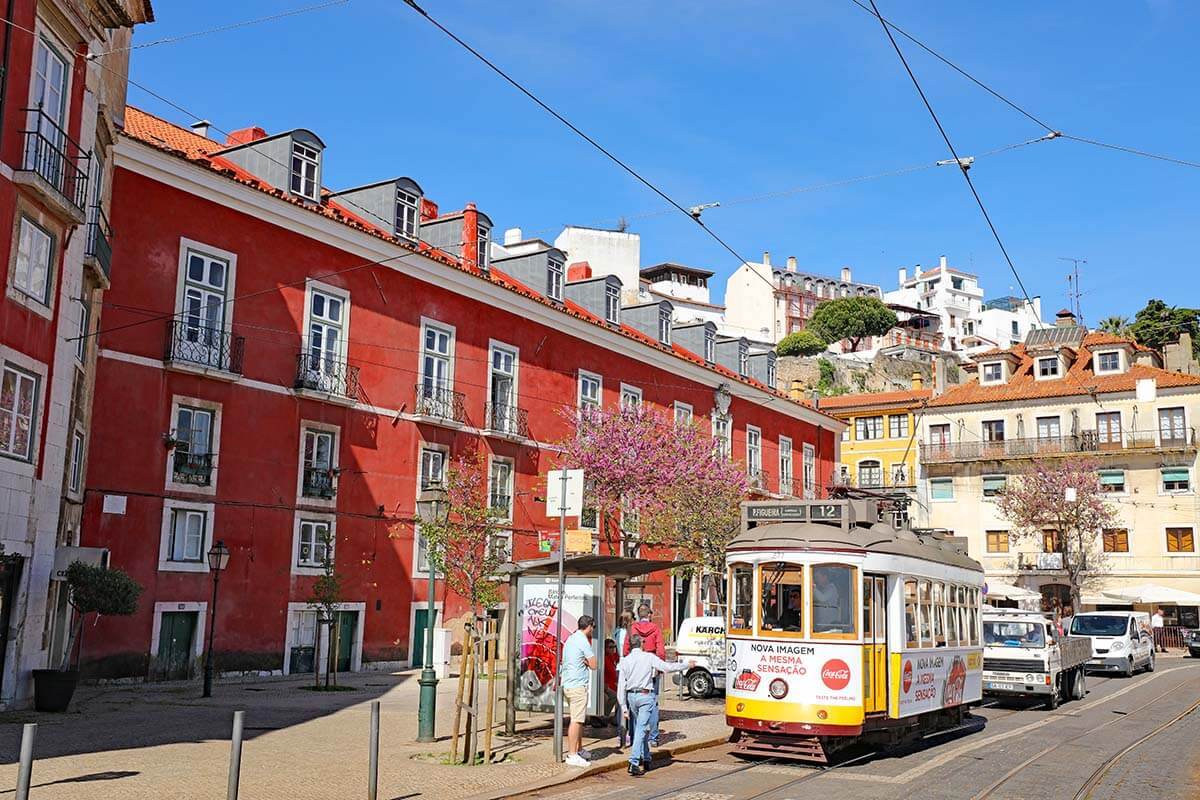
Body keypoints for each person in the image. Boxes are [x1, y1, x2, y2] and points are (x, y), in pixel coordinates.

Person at [616, 634, 690, 776]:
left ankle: (647, 757)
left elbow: (621, 685)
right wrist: (686, 665)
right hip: (645, 696)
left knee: (640, 728)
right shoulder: (648, 657)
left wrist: (623, 707)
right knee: (641, 729)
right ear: (641, 644)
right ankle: (633, 762)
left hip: (631, 696)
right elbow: (667, 667)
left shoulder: (624, 661)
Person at [560, 615, 597, 767]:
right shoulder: (583, 641)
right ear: (589, 626)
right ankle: (572, 754)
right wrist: (587, 662)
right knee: (576, 721)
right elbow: (594, 664)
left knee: (579, 720)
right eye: (593, 627)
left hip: (568, 684)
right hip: (577, 686)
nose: (593, 630)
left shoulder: (571, 638)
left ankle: (579, 749)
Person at [603, 638, 620, 723]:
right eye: (610, 647)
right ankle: (605, 715)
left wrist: (616, 648)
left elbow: (618, 657)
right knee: (614, 696)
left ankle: (616, 717)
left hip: (613, 683)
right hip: (607, 684)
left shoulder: (612, 656)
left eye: (614, 647)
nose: (612, 649)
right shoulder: (604, 658)